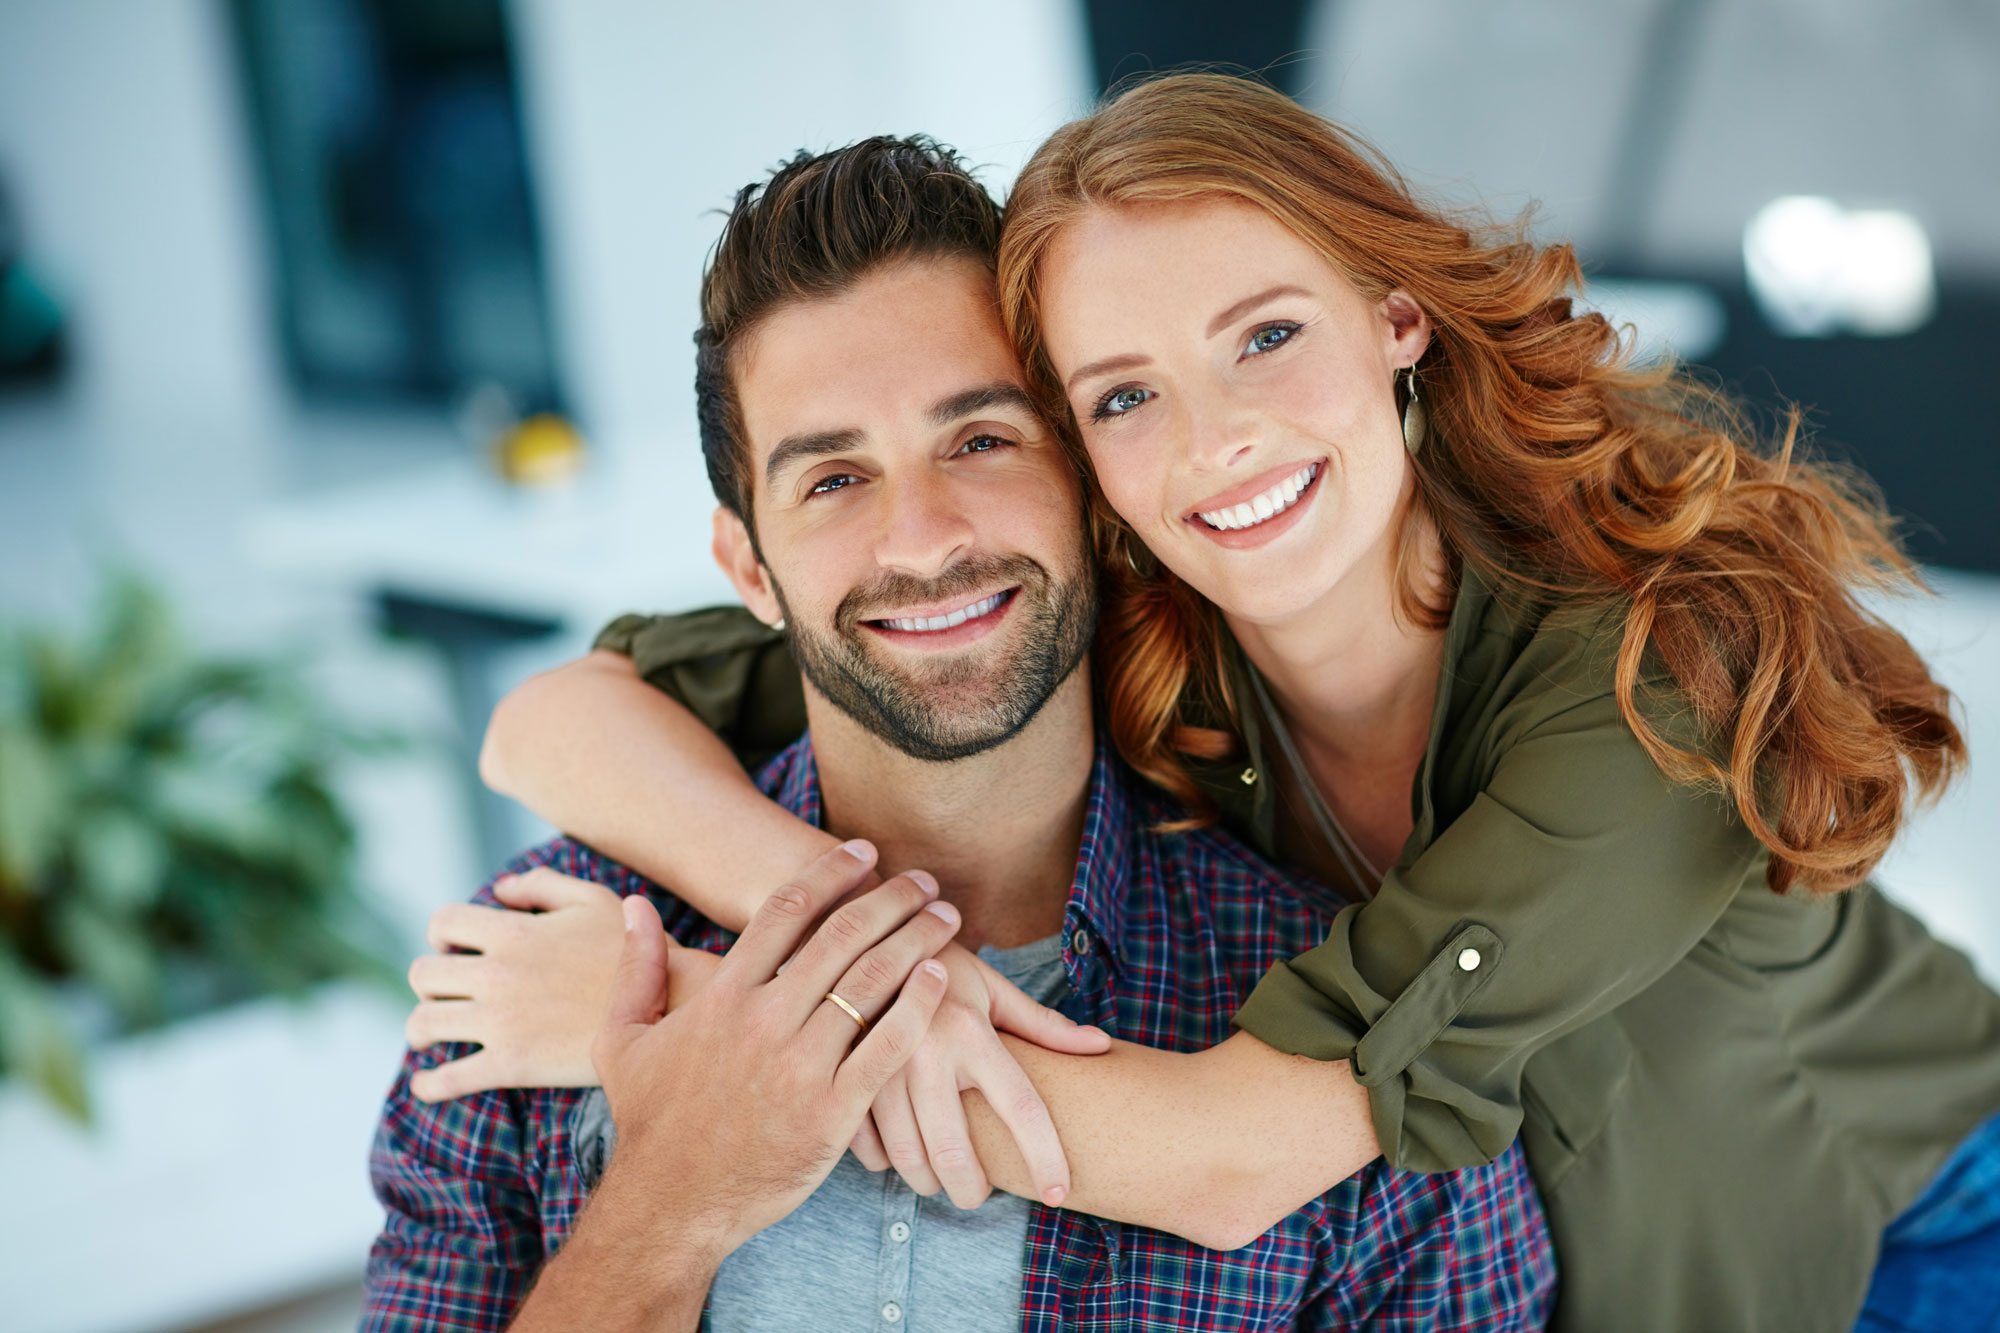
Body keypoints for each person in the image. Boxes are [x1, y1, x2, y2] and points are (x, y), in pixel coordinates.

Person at [425, 79, 2000, 1330]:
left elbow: (1230, 1162)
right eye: (1122, 393)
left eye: (1265, 335)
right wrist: (812, 921)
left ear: (1397, 317)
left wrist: (692, 1030)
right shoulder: (1104, 607)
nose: (1219, 439)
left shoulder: (1655, 681)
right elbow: (561, 716)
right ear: (1084, 454)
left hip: (1900, 1212)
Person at [364, 135, 1556, 1332]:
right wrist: (672, 1199)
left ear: (1092, 488)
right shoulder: (535, 962)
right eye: (831, 479)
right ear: (748, 567)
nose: (923, 539)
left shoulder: (1311, 1028)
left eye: (980, 440)